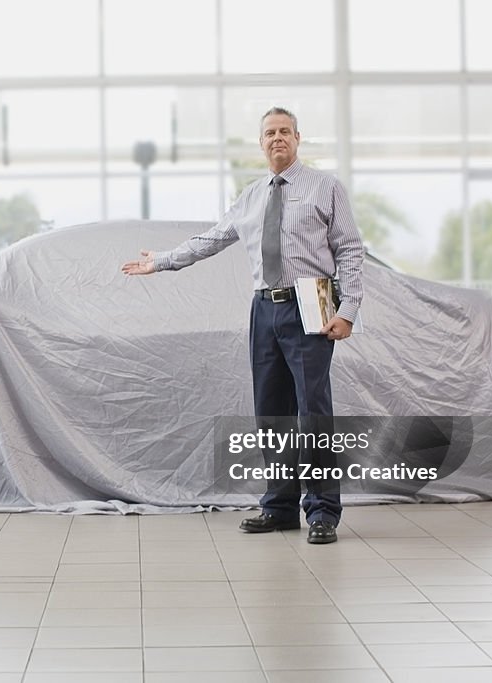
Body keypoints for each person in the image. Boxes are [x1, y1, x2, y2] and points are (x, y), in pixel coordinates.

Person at [120, 107, 364, 544]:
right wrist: (160, 261)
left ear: (298, 138)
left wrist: (348, 310)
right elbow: (212, 239)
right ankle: (280, 507)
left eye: (285, 132)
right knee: (272, 413)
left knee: (314, 413)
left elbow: (350, 249)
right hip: (264, 308)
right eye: (269, 133)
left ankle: (323, 511)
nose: (277, 139)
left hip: (314, 301)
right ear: (261, 142)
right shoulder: (252, 196)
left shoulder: (325, 188)